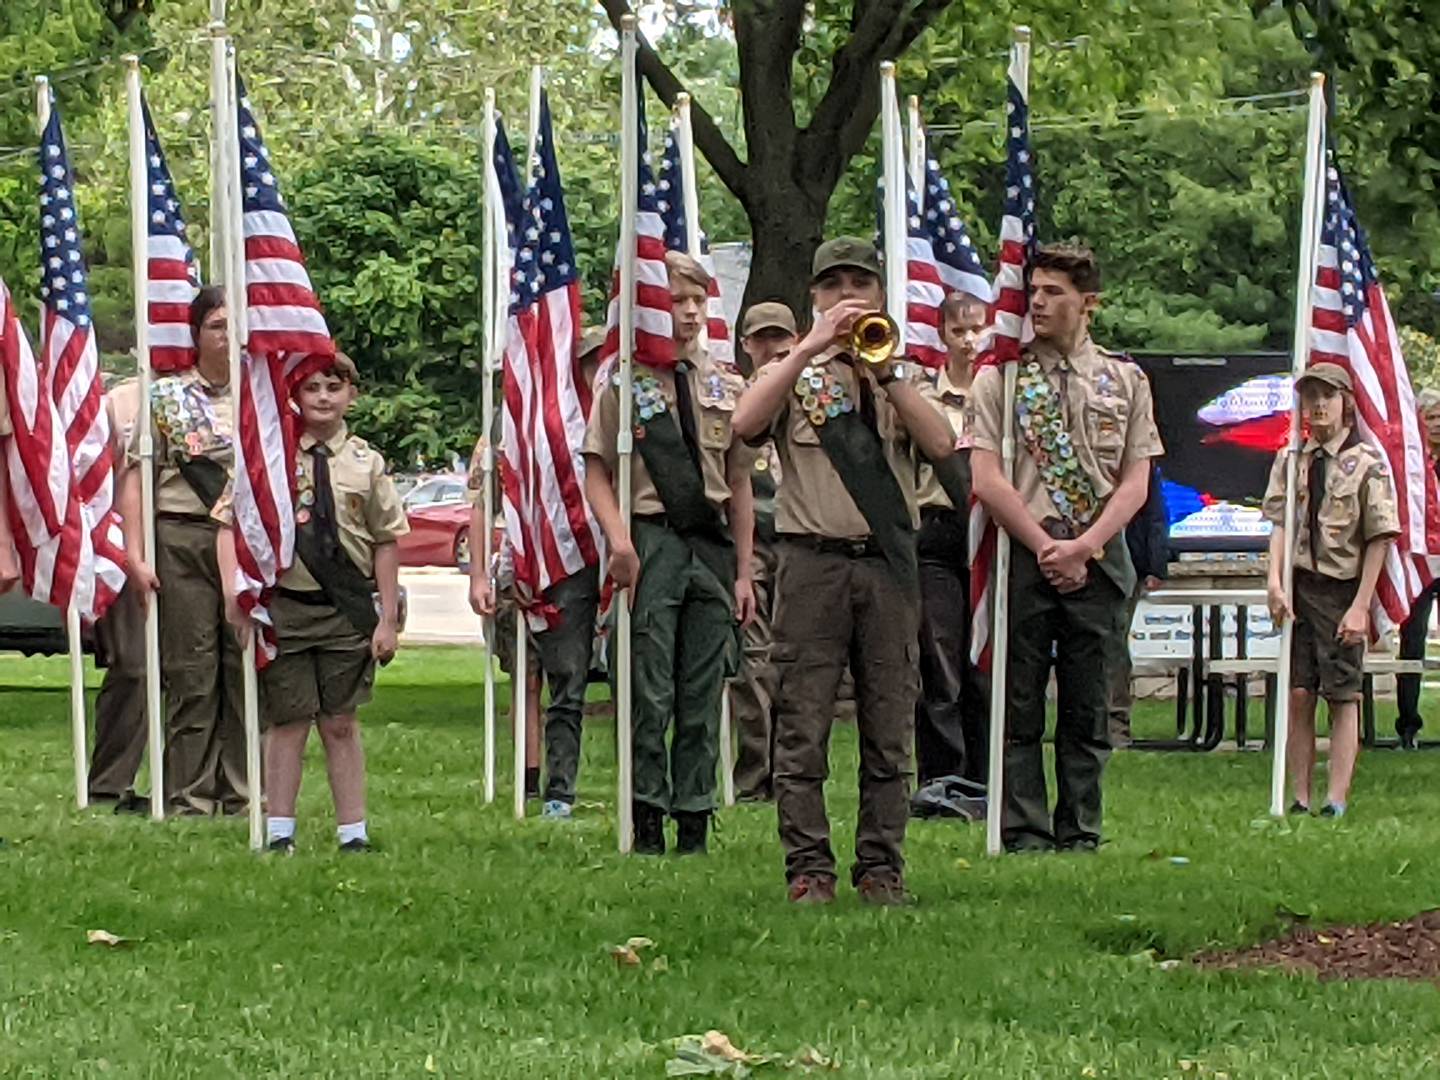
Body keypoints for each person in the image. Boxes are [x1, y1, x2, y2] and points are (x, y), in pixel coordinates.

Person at [732, 236, 957, 904]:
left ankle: (881, 867)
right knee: (801, 724)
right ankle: (808, 868)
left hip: (886, 565)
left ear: (881, 295)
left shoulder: (900, 371)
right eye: (833, 287)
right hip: (811, 563)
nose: (846, 297)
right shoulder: (794, 374)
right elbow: (744, 422)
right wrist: (806, 348)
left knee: (890, 725)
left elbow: (944, 444)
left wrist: (883, 373)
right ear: (814, 297)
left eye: (859, 284)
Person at [969, 243, 1163, 854]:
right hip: (1028, 552)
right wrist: (1046, 545)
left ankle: (1080, 829)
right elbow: (987, 478)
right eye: (1035, 292)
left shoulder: (1125, 380)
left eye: (1054, 293)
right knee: (1018, 700)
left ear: (1088, 303)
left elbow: (1136, 481)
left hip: (1099, 555)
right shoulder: (1003, 379)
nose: (1039, 303)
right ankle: (1023, 829)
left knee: (1088, 704)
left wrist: (1085, 545)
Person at [583, 251, 754, 855]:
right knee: (649, 688)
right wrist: (619, 541)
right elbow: (597, 468)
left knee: (703, 688)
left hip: (710, 546)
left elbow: (738, 483)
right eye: (673, 301)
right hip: (651, 539)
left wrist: (743, 570)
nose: (685, 313)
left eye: (695, 301)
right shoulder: (626, 384)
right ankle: (647, 811)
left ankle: (695, 816)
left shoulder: (725, 384)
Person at [218, 353, 407, 852]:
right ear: (294, 398)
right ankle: (279, 830)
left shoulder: (367, 463)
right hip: (287, 608)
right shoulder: (271, 457)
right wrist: (234, 598)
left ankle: (354, 832)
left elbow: (386, 540)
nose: (323, 397)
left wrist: (386, 618)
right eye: (311, 389)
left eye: (333, 387)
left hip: (345, 609)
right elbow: (229, 523)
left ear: (351, 396)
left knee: (340, 721)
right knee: (288, 720)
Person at [118, 286, 246, 816]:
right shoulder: (167, 398)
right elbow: (135, 477)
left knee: (244, 670)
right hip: (183, 537)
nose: (226, 335)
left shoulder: (264, 397)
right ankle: (189, 795)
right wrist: (135, 555)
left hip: (244, 543)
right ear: (196, 333)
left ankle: (242, 792)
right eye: (216, 324)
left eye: (233, 325)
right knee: (191, 673)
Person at [469, 328, 604, 816]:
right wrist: (479, 576)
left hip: (587, 565)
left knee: (570, 679)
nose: (592, 369)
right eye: (585, 360)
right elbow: (480, 501)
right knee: (526, 678)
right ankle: (528, 781)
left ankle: (561, 787)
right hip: (521, 566)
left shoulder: (604, 418)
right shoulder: (513, 423)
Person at [1264, 362, 1398, 817]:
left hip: (1342, 589)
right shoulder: (1291, 459)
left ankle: (1334, 798)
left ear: (1346, 404)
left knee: (1342, 693)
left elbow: (1380, 535)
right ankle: (1299, 796)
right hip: (1300, 585)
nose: (1318, 406)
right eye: (1310, 397)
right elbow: (1281, 523)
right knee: (1299, 691)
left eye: (1327, 396)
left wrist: (1361, 606)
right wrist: (1275, 582)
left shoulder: (1365, 463)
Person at [911, 290, 990, 794]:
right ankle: (943, 774)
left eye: (977, 329)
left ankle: (984, 774)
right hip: (937, 528)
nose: (969, 340)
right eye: (958, 330)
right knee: (939, 658)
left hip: (985, 529)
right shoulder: (924, 396)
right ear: (942, 333)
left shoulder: (998, 395)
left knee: (982, 657)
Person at [731, 301, 796, 802]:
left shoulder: (814, 394)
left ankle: (793, 770)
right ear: (747, 345)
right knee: (753, 662)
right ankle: (755, 776)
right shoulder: (732, 397)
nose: (772, 348)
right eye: (762, 339)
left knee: (797, 661)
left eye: (781, 338)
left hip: (801, 539)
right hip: (752, 543)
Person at [88, 377, 150, 810]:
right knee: (135, 667)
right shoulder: (122, 401)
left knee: (204, 673)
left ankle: (196, 788)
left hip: (202, 541)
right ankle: (110, 784)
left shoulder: (234, 390)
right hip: (126, 545)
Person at [1106, 462, 1170, 748]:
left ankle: (1116, 725)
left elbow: (1155, 515)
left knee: (1115, 645)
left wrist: (1155, 565)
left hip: (1127, 563)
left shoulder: (1141, 461)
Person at [1394, 386, 1440, 749]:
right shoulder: (1412, 466)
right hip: (1420, 562)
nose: (1436, 424)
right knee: (1412, 640)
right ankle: (1407, 726)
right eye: (1430, 417)